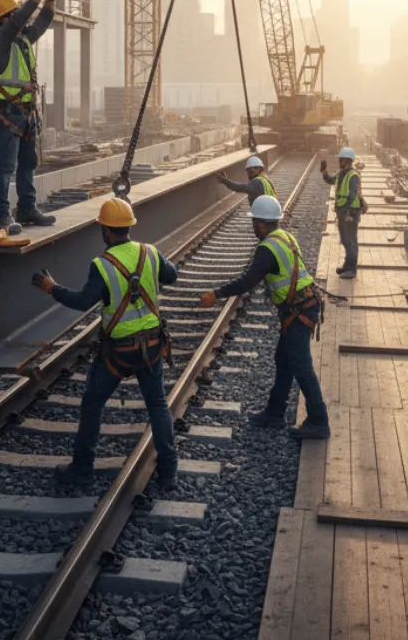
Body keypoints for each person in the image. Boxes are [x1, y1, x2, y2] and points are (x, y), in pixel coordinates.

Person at [32, 198, 179, 489]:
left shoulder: (102, 264)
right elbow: (171, 275)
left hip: (119, 352)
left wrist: (53, 288)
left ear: (107, 232)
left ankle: (82, 468)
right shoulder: (149, 252)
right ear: (128, 227)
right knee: (158, 406)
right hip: (150, 347)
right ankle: (169, 473)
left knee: (92, 404)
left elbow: (83, 301)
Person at [199, 194, 329, 439]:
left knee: (301, 365)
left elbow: (247, 281)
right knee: (284, 360)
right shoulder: (285, 236)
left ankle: (319, 420)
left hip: (299, 311)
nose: (252, 227)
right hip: (301, 307)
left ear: (260, 223)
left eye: (253, 222)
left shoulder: (268, 248)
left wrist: (216, 294)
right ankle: (275, 412)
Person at [0, 0, 58, 233]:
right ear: (4, 17)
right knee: (5, 165)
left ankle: (26, 207)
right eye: (14, 12)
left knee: (29, 161)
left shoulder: (21, 40)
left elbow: (42, 21)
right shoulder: (0, 39)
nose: (19, 16)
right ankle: (0, 216)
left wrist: (50, 1)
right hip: (8, 112)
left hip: (25, 113)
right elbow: (22, 18)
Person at [321, 147, 362, 279]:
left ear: (348, 160)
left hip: (349, 213)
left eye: (341, 159)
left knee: (350, 241)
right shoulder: (342, 173)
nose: (340, 162)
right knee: (345, 240)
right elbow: (331, 180)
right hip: (343, 212)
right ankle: (347, 265)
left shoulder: (353, 175)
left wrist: (349, 212)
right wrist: (324, 172)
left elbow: (353, 194)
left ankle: (351, 270)